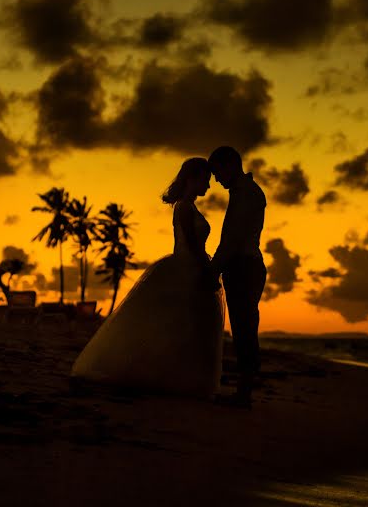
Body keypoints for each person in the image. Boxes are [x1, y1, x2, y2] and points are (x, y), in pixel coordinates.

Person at [71, 158, 225, 399]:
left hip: (192, 267)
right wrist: (207, 269)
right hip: (188, 269)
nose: (208, 186)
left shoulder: (189, 207)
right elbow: (192, 246)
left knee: (188, 327)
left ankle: (184, 378)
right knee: (185, 325)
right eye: (205, 180)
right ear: (192, 179)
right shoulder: (184, 207)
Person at [208, 146, 266, 408]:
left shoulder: (244, 193)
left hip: (243, 265)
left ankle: (244, 393)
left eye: (217, 172)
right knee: (244, 326)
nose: (216, 180)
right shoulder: (246, 191)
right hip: (245, 265)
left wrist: (214, 268)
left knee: (244, 327)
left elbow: (232, 238)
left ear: (229, 165)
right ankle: (245, 389)